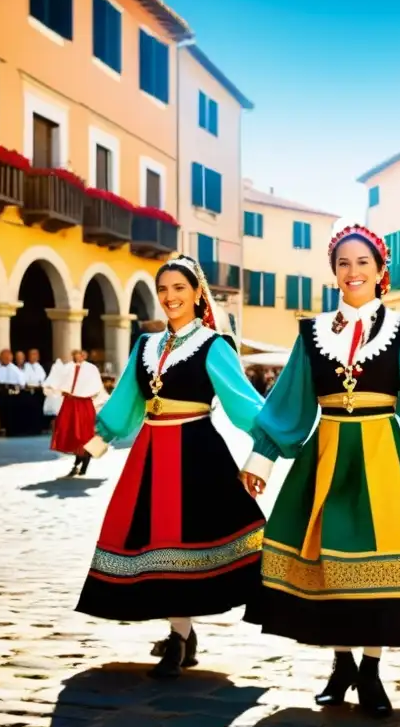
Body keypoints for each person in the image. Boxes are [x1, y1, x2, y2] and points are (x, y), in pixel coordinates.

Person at [242, 225, 400, 718]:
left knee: (379, 558)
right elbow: (290, 401)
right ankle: (341, 664)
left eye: (363, 262)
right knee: (329, 564)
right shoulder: (311, 333)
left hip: (385, 454)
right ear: (334, 272)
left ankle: (371, 670)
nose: (353, 271)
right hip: (325, 453)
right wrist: (261, 460)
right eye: (343, 263)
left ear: (381, 271)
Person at [75, 255, 269, 679]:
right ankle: (181, 633)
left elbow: (243, 402)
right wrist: (100, 438)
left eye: (179, 288)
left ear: (198, 293)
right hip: (148, 452)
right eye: (163, 290)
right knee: (154, 543)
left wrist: (271, 442)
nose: (169, 297)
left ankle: (179, 640)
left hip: (196, 453)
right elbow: (128, 395)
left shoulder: (215, 346)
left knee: (183, 544)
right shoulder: (145, 346)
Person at [50, 349, 106, 477]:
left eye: (80, 355)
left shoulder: (90, 369)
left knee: (85, 435)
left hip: (84, 404)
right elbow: (59, 384)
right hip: (70, 404)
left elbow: (96, 387)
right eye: (75, 355)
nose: (78, 357)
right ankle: (77, 464)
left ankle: (83, 464)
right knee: (72, 434)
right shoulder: (68, 368)